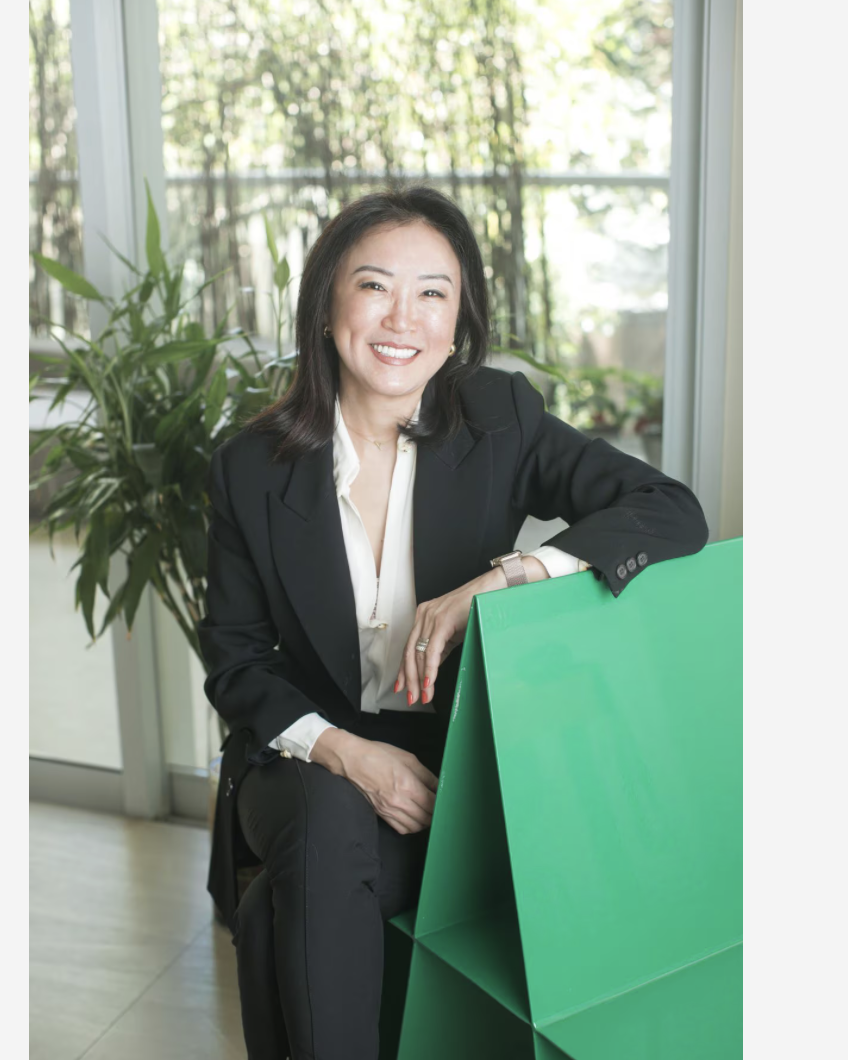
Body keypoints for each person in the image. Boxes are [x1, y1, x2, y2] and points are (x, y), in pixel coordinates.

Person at [198, 185, 709, 1060]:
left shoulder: (499, 418)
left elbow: (669, 510)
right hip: (307, 749)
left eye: (432, 292)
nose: (403, 318)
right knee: (323, 821)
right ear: (325, 305)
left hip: (455, 761)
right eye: (374, 286)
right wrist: (350, 754)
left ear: (458, 317)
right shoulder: (252, 465)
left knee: (284, 903)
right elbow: (237, 660)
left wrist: (507, 577)